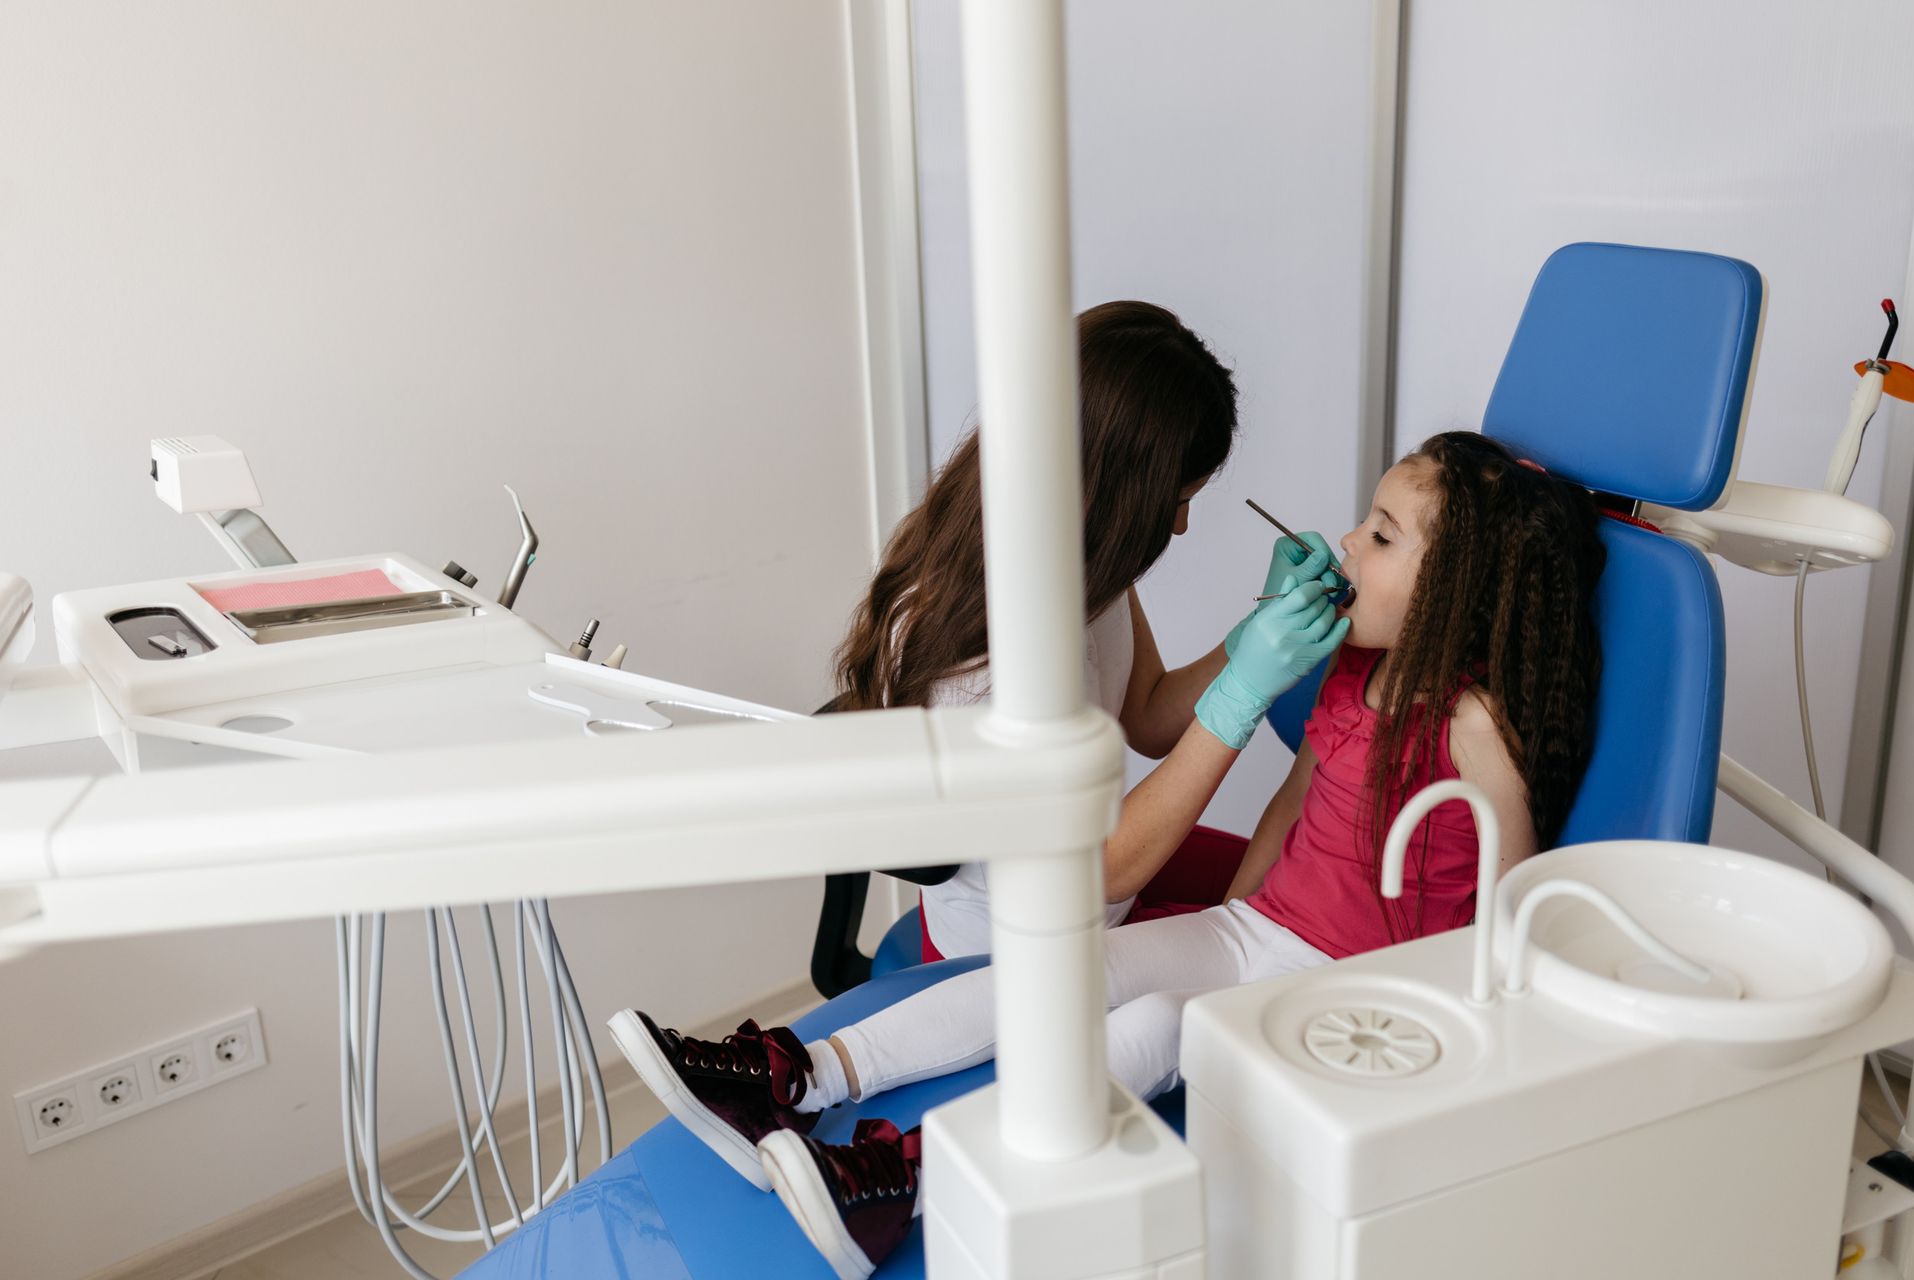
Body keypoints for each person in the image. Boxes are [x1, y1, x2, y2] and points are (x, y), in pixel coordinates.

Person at [608, 431, 1608, 1278]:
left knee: (1162, 1023)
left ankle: (902, 1178)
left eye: (1381, 535)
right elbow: (1290, 812)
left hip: (1350, 991)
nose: (1348, 541)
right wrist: (1230, 916)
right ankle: (796, 1073)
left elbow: (1510, 909)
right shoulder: (1353, 670)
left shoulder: (1474, 725)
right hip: (1262, 929)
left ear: (1460, 591)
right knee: (1060, 969)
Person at [830, 298, 1339, 959]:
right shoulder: (992, 660)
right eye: (1175, 502)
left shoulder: (1079, 552)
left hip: (1103, 885)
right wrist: (1241, 695)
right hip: (1020, 950)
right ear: (1114, 489)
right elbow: (1098, 873)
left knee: (1299, 894)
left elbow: (1147, 716)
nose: (1180, 526)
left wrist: (1252, 633)